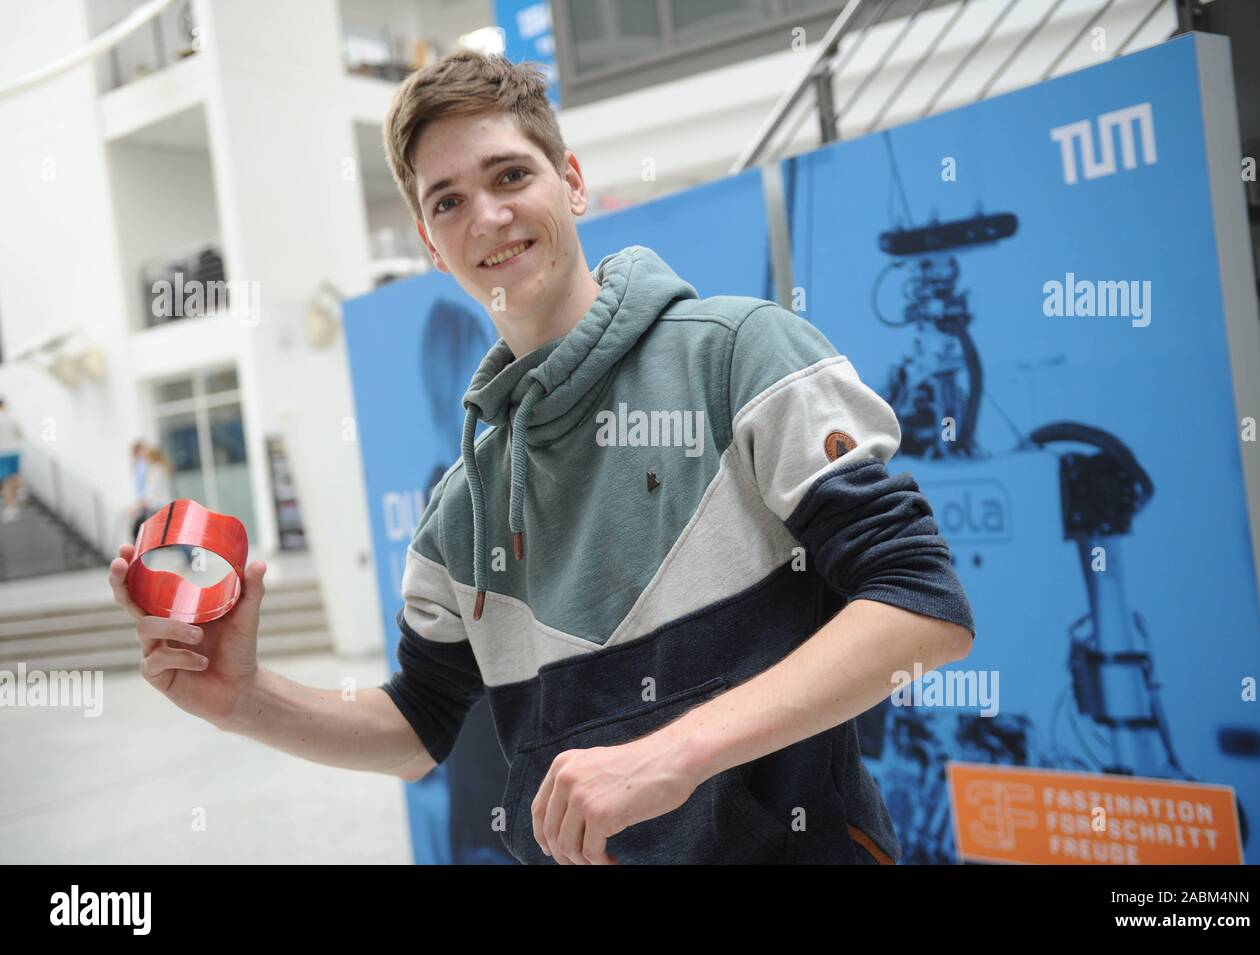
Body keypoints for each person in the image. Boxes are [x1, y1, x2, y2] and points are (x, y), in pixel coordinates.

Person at [109, 50, 976, 865]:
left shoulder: (741, 354)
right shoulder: (461, 511)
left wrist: (672, 752)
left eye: (510, 175)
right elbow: (418, 723)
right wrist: (242, 697)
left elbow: (921, 604)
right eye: (447, 200)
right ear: (427, 239)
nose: (485, 217)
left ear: (571, 181)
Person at [0, 396, 23, 522]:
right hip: (15, 450)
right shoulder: (12, 417)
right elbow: (20, 435)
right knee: (14, 474)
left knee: (6, 482)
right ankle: (21, 490)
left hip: (2, 452)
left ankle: (12, 507)